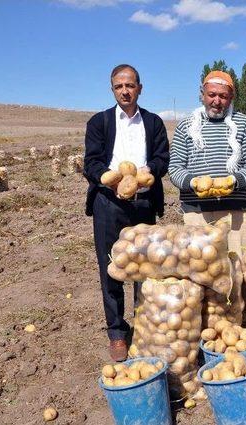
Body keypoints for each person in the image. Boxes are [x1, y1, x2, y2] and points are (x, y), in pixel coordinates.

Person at [83, 64, 170, 361]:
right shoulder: (99, 122)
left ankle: (144, 326)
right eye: (119, 86)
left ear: (140, 88)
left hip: (144, 203)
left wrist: (148, 172)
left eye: (130, 85)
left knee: (145, 268)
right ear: (112, 89)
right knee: (111, 268)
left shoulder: (154, 122)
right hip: (109, 204)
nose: (125, 91)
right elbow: (91, 162)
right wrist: (112, 180)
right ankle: (118, 333)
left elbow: (162, 159)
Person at [168, 71, 246, 254]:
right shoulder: (186, 125)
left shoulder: (245, 124)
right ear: (202, 95)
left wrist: (234, 181)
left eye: (223, 96)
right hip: (196, 213)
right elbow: (175, 168)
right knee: (201, 272)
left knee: (237, 270)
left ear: (231, 97)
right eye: (212, 95)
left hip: (236, 213)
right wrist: (192, 182)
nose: (217, 101)